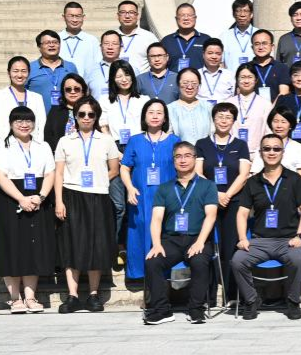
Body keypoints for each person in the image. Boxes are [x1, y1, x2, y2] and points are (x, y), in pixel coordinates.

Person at [232, 133, 301, 320]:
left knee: (297, 259)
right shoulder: (252, 182)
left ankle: (293, 301)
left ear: (283, 152)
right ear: (260, 153)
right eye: (267, 149)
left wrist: (300, 236)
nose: (271, 152)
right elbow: (242, 213)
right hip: (260, 241)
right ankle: (252, 300)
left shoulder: (294, 179)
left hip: (288, 240)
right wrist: (243, 238)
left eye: (276, 148)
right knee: (237, 260)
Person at [54, 97, 121, 313]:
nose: (86, 118)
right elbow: (59, 173)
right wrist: (59, 201)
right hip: (72, 195)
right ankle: (72, 295)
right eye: (81, 114)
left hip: (98, 196)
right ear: (75, 116)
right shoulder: (65, 141)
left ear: (96, 117)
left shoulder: (106, 140)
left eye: (91, 114)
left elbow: (114, 169)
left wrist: (98, 180)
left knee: (96, 245)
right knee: (71, 245)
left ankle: (93, 294)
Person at [142, 141, 219, 325]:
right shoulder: (164, 188)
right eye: (178, 156)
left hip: (198, 238)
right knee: (153, 262)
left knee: (199, 261)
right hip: (172, 240)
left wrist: (200, 242)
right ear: (174, 161)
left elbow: (211, 216)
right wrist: (157, 244)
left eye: (187, 156)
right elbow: (156, 219)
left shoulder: (208, 186)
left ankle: (196, 309)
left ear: (194, 159)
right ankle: (162, 310)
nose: (183, 160)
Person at [0, 106, 56, 314]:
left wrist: (41, 196)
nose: (24, 124)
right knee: (11, 246)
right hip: (11, 199)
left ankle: (30, 296)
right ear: (11, 124)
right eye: (19, 121)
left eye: (28, 121)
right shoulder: (3, 146)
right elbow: (0, 176)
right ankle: (15, 298)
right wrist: (21, 198)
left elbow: (50, 173)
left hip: (37, 198)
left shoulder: (42, 146)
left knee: (33, 247)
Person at [194, 102, 252, 304]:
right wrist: (216, 194)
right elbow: (198, 172)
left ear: (234, 121)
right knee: (207, 248)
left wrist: (227, 194)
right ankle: (208, 297)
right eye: (220, 116)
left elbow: (244, 174)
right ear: (213, 119)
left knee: (231, 249)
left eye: (228, 117)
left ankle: (232, 295)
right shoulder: (202, 143)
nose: (224, 121)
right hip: (208, 201)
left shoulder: (240, 145)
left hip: (233, 202)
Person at [119, 98, 180, 281]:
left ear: (165, 118)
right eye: (151, 112)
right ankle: (141, 274)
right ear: (144, 117)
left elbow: (183, 168)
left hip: (167, 198)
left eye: (159, 113)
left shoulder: (174, 141)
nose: (155, 116)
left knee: (164, 233)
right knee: (140, 232)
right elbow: (124, 167)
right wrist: (130, 188)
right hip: (140, 197)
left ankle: (163, 276)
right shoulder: (135, 141)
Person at [0, 56, 48, 142]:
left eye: (23, 71)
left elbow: (40, 126)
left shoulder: (37, 98)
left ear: (29, 73)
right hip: (8, 145)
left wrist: (35, 145)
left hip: (33, 145)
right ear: (9, 73)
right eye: (15, 71)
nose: (19, 75)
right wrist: (11, 146)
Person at [249, 107, 301, 177]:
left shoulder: (299, 148)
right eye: (275, 121)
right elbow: (255, 173)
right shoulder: (264, 147)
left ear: (290, 125)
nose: (279, 126)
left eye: (283, 122)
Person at [103, 60, 148, 150]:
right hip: (115, 146)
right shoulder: (105, 100)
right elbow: (104, 127)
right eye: (119, 76)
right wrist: (113, 150)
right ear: (113, 79)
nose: (124, 79)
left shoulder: (143, 100)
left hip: (139, 144)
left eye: (127, 75)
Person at [28, 30, 78, 110]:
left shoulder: (70, 67)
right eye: (47, 43)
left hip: (67, 115)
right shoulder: (30, 68)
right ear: (39, 47)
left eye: (55, 42)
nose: (51, 45)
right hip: (39, 116)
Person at [230, 64, 270, 154]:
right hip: (233, 153)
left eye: (250, 77)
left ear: (256, 80)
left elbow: (268, 132)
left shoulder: (265, 104)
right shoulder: (229, 103)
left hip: (257, 154)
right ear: (237, 80)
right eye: (243, 77)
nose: (246, 81)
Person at [44, 73, 89, 151]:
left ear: (83, 91)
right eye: (68, 89)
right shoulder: (55, 111)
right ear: (63, 92)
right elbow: (48, 136)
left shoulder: (90, 110)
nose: (72, 92)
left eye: (76, 89)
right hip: (60, 154)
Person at [160, 3, 209, 72]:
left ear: (195, 18)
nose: (186, 18)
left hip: (200, 78)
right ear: (176, 19)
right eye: (182, 15)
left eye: (189, 15)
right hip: (174, 79)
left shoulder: (206, 40)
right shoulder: (166, 41)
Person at [116, 0, 160, 75]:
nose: (127, 16)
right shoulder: (111, 37)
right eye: (123, 12)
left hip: (141, 81)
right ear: (118, 15)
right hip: (117, 80)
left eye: (131, 12)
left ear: (137, 16)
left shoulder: (149, 37)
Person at [168, 68, 211, 144]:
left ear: (199, 85)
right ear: (178, 84)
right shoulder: (169, 109)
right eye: (185, 83)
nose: (190, 87)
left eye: (194, 83)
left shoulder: (208, 107)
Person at [59, 1, 100, 76]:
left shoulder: (92, 40)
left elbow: (98, 65)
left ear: (83, 17)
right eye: (71, 16)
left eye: (78, 16)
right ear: (64, 17)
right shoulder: (56, 39)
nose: (75, 20)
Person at [249, 29, 289, 102]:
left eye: (264, 43)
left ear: (272, 47)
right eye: (257, 44)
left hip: (276, 108)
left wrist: (271, 108)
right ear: (252, 47)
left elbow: (283, 93)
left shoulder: (282, 68)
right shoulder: (246, 68)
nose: (261, 47)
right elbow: (241, 94)